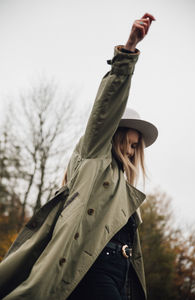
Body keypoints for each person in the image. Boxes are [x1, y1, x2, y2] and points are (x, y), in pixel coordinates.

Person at [0, 13, 158, 300]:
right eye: (128, 142)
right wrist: (128, 52)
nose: (132, 151)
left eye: (137, 147)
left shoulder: (126, 193)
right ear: (113, 136)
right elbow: (104, 111)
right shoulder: (94, 160)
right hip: (91, 273)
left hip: (117, 279)